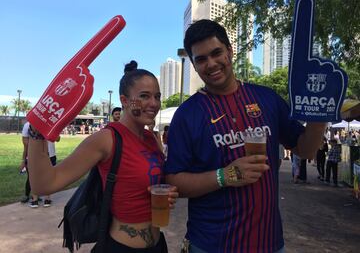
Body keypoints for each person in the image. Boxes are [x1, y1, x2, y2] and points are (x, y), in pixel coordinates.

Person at [164, 19, 326, 253]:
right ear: (193, 64)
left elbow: (306, 150)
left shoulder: (267, 99)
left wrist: (320, 113)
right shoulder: (187, 114)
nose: (211, 64)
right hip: (210, 244)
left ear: (230, 51)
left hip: (268, 243)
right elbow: (173, 181)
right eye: (201, 59)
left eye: (216, 53)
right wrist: (224, 176)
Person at [27, 60, 178, 252]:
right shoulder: (107, 139)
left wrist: (167, 194)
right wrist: (37, 128)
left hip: (158, 245)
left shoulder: (151, 138)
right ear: (124, 100)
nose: (154, 103)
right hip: (120, 248)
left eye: (157, 96)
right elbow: (44, 184)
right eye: (144, 96)